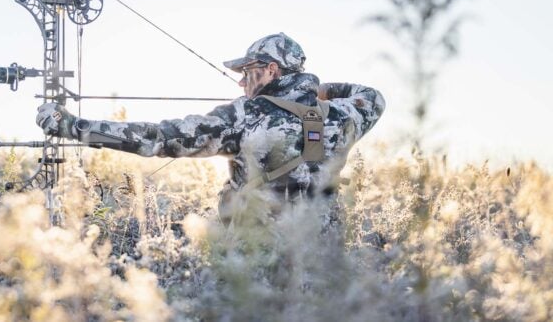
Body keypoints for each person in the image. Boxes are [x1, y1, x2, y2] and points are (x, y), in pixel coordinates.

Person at [36, 33, 385, 223]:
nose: (242, 82)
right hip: (323, 263)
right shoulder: (342, 116)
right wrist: (311, 91)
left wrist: (71, 126)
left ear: (271, 70)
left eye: (248, 72)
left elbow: (157, 138)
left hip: (259, 261)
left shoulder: (245, 115)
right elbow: (372, 96)